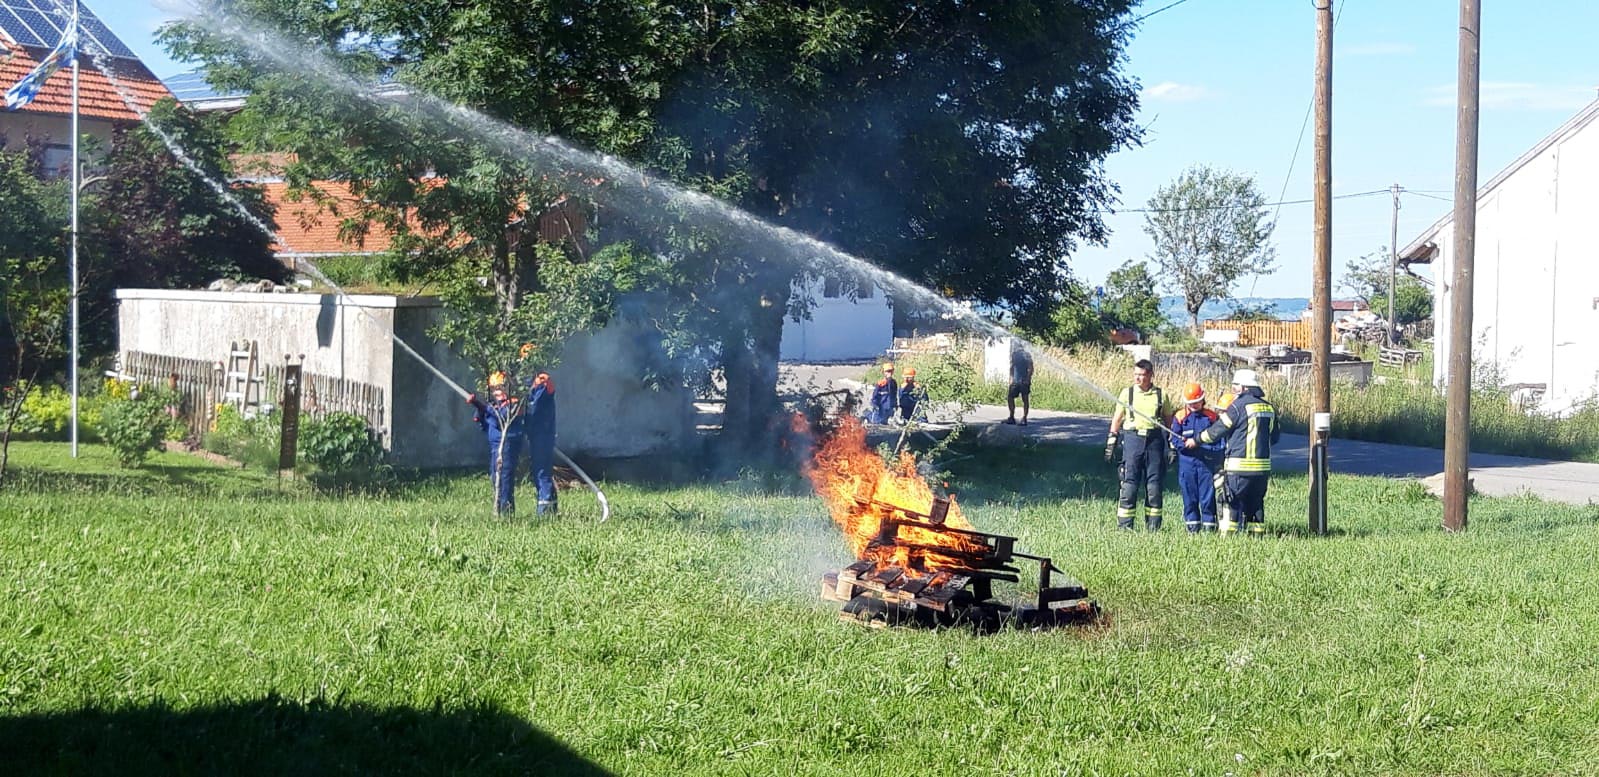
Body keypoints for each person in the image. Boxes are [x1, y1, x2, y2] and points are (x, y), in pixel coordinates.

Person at [1189, 369, 1280, 535]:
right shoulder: (1269, 408)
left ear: (1244, 387)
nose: (1233, 389)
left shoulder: (1237, 407)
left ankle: (1229, 540)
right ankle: (1257, 538)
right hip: (1262, 470)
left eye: (1235, 385)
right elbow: (1274, 438)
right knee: (1256, 505)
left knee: (1230, 503)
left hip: (1239, 469)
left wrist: (1196, 439)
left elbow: (1216, 431)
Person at [1104, 359, 1175, 530]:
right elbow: (1117, 419)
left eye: (1142, 375)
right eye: (1135, 374)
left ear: (1150, 376)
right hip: (1133, 440)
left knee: (1154, 486)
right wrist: (1111, 442)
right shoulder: (1126, 393)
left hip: (1154, 442)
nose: (1138, 378)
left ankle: (1153, 527)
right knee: (1129, 484)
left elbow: (1169, 422)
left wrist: (1172, 446)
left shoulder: (1161, 395)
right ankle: (1125, 527)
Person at [467, 371, 524, 515]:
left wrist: (481, 406)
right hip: (495, 448)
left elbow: (502, 418)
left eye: (499, 387)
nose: (497, 392)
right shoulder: (493, 405)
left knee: (505, 479)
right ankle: (498, 510)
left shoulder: (514, 403)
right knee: (495, 478)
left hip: (507, 446)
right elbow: (485, 422)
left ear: (507, 386)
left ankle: (507, 513)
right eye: (493, 388)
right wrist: (479, 410)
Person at [1170, 382, 1224, 533]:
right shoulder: (1180, 417)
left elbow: (1219, 441)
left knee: (1207, 497)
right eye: (1191, 403)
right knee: (1189, 496)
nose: (1194, 405)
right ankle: (1192, 529)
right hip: (1187, 463)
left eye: (1196, 402)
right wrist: (1183, 445)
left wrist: (1201, 446)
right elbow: (1174, 438)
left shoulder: (1212, 417)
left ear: (1202, 400)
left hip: (1206, 463)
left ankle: (1209, 529)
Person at [524, 371, 558, 515]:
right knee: (542, 472)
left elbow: (534, 408)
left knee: (541, 472)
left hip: (542, 434)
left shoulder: (541, 382)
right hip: (539, 434)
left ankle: (545, 512)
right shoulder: (533, 382)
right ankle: (551, 508)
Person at [1004, 343, 1033, 425]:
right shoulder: (1014, 355)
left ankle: (1024, 418)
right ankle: (1012, 417)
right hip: (1016, 381)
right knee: (1011, 397)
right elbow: (1012, 367)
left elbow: (1030, 368)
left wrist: (1027, 378)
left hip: (1023, 381)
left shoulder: (1026, 355)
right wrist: (1011, 378)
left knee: (1025, 399)